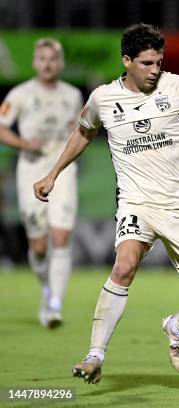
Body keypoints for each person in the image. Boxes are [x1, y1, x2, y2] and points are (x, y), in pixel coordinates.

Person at [34, 24, 179, 385]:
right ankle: (95, 355)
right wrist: (52, 173)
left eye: (159, 62)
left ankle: (175, 327)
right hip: (136, 202)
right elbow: (84, 132)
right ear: (127, 61)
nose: (156, 70)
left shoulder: (176, 86)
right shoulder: (103, 98)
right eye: (148, 63)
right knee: (124, 266)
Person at [0, 38, 82, 329]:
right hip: (31, 171)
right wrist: (23, 142)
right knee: (38, 247)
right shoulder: (20, 94)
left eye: (53, 59)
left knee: (60, 237)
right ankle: (46, 292)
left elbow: (81, 129)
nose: (47, 64)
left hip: (62, 171)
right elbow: (1, 127)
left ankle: (55, 305)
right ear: (35, 63)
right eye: (42, 59)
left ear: (60, 63)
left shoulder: (73, 95)